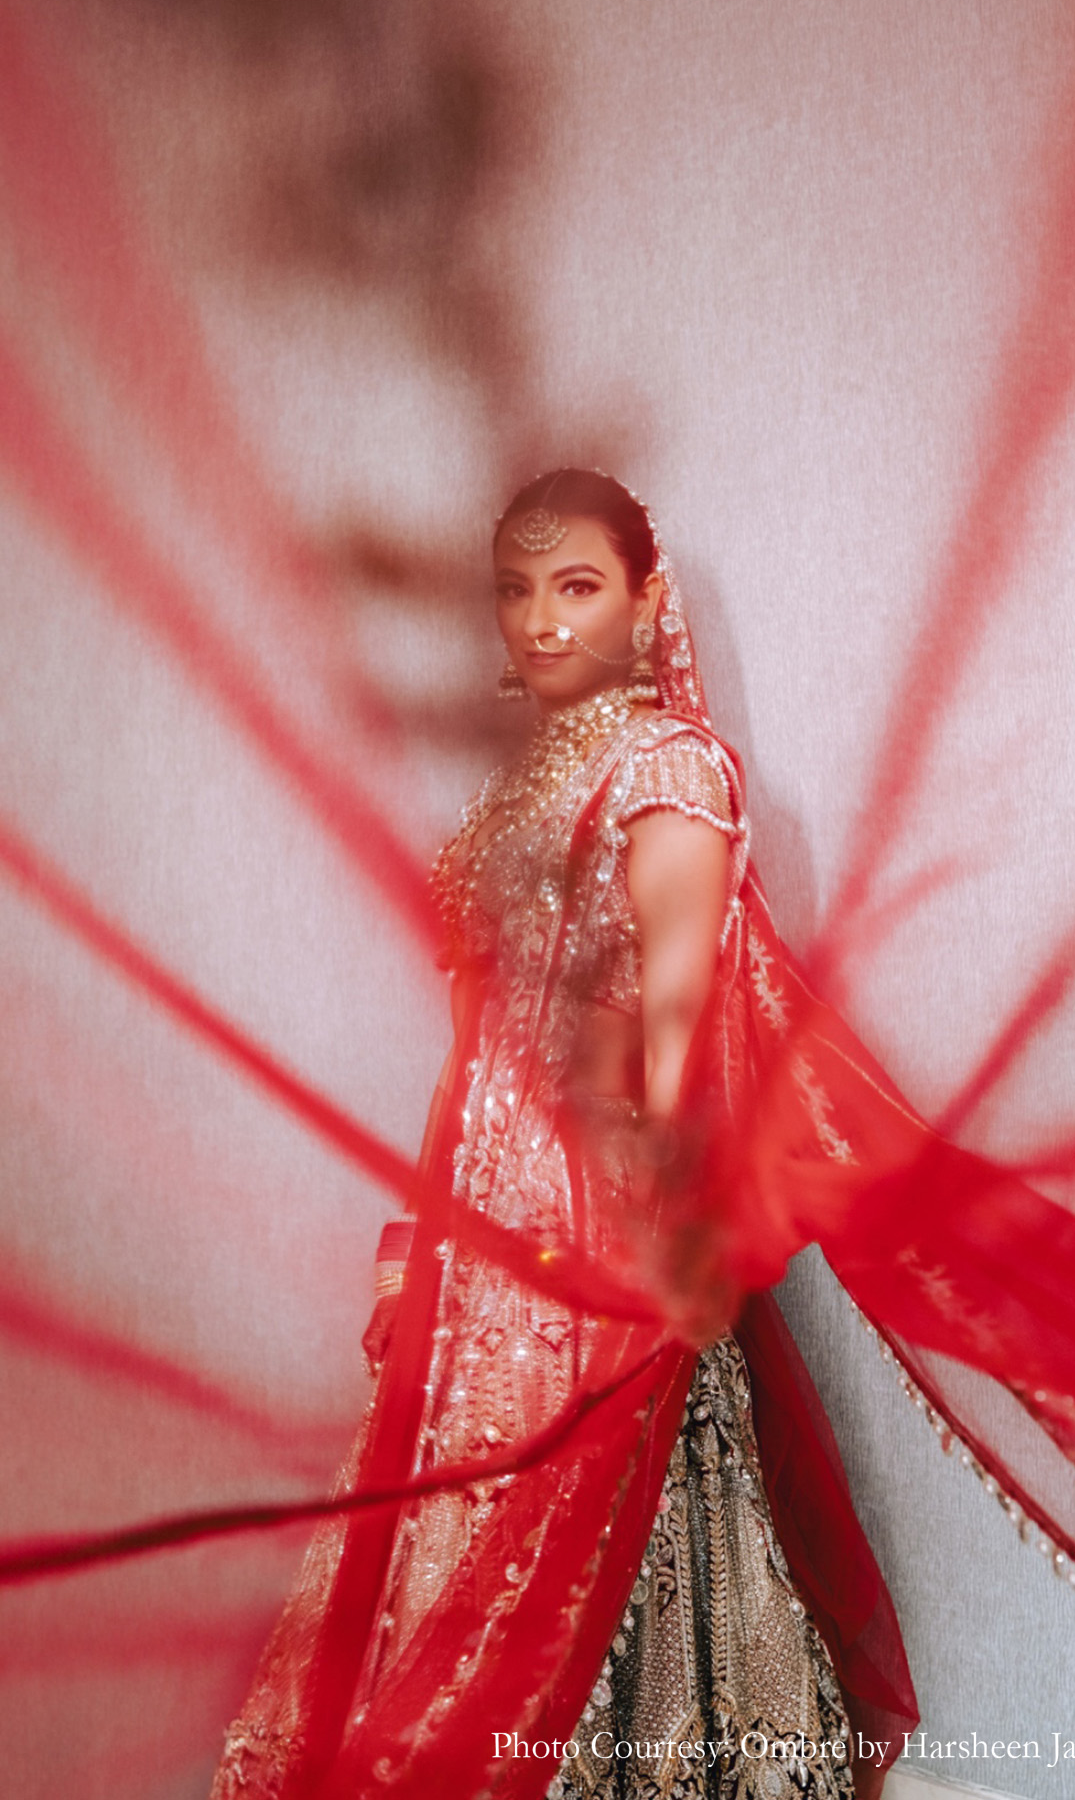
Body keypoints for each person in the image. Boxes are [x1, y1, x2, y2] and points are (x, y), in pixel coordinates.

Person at [210, 469, 917, 1800]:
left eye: (578, 586)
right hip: (480, 1220)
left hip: (607, 1209)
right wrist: (415, 1240)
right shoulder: (508, 800)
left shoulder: (671, 769)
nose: (541, 620)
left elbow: (680, 1015)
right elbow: (471, 1045)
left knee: (604, 1501)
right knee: (449, 1510)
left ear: (647, 606)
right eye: (517, 591)